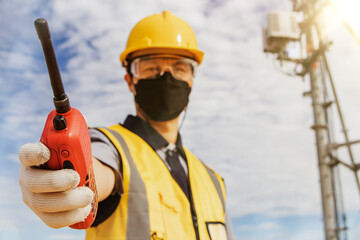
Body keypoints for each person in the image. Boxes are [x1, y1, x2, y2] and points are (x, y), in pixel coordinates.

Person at [18, 11, 234, 240]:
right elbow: (95, 169)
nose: (166, 77)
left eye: (180, 68)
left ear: (191, 80)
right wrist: (68, 177)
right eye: (150, 68)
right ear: (130, 81)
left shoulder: (213, 180)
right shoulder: (110, 146)